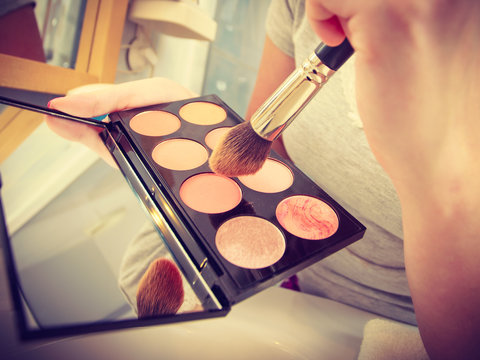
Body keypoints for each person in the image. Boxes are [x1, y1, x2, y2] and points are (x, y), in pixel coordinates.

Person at [45, 0, 480, 358]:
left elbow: (462, 346)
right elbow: (264, 149)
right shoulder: (312, 6)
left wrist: (426, 167)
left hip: (395, 327)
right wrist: (188, 144)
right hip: (281, 275)